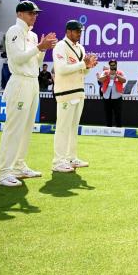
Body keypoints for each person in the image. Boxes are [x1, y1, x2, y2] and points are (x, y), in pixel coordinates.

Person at [0, 0, 57, 187]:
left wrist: (43, 50)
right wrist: (39, 47)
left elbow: (35, 64)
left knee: (26, 127)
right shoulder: (15, 31)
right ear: (20, 14)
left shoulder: (32, 35)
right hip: (20, 81)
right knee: (13, 128)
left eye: (36, 14)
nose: (35, 16)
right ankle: (4, 172)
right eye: (31, 13)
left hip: (32, 81)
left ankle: (19, 166)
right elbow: (16, 59)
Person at [52, 20, 97, 172]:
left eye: (81, 31)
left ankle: (71, 158)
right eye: (77, 31)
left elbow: (82, 71)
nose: (79, 34)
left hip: (79, 91)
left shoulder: (80, 48)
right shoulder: (60, 46)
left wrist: (88, 66)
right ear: (69, 31)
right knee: (63, 128)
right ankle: (58, 161)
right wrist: (83, 64)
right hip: (65, 92)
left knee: (73, 127)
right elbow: (62, 69)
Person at [98, 59, 125, 127]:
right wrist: (108, 75)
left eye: (114, 65)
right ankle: (108, 128)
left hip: (117, 96)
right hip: (106, 96)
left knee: (118, 114)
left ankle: (119, 128)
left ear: (116, 65)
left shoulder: (120, 72)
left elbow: (124, 80)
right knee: (108, 113)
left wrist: (117, 76)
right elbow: (100, 80)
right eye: (111, 65)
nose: (112, 66)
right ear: (109, 65)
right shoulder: (105, 72)